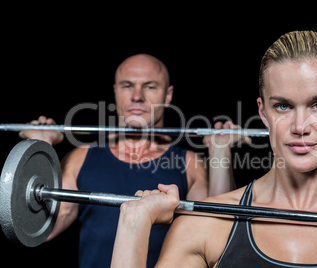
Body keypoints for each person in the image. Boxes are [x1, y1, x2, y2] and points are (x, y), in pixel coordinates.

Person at [111, 31, 317, 267]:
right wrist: (134, 223)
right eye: (283, 106)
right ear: (263, 112)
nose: (300, 126)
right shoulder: (204, 225)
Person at [19, 54, 247, 268]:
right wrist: (39, 147)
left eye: (149, 86)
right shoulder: (82, 157)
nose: (137, 96)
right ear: (116, 91)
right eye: (128, 85)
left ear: (167, 95)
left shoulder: (189, 163)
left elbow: (217, 236)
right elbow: (43, 229)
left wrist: (220, 151)